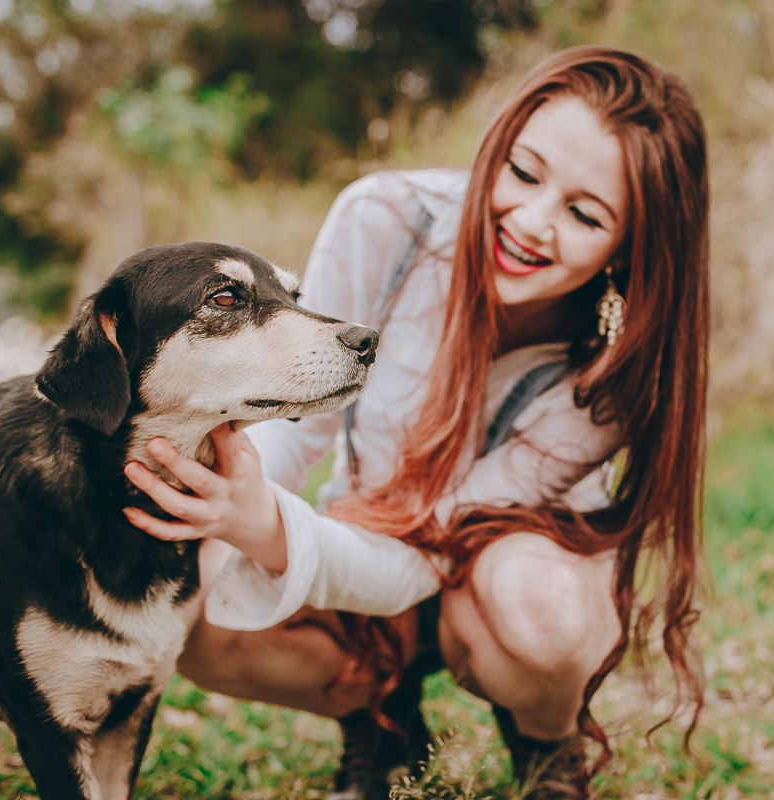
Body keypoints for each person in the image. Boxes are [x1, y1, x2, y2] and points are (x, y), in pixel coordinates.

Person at [123, 45, 709, 800]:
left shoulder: (616, 376)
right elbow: (297, 427)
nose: (529, 221)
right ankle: (382, 715)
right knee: (195, 604)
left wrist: (265, 526)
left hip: (489, 573)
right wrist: (230, 503)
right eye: (523, 172)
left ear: (631, 246)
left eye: (585, 214)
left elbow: (434, 543)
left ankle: (545, 743)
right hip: (366, 528)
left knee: (544, 614)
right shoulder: (386, 219)